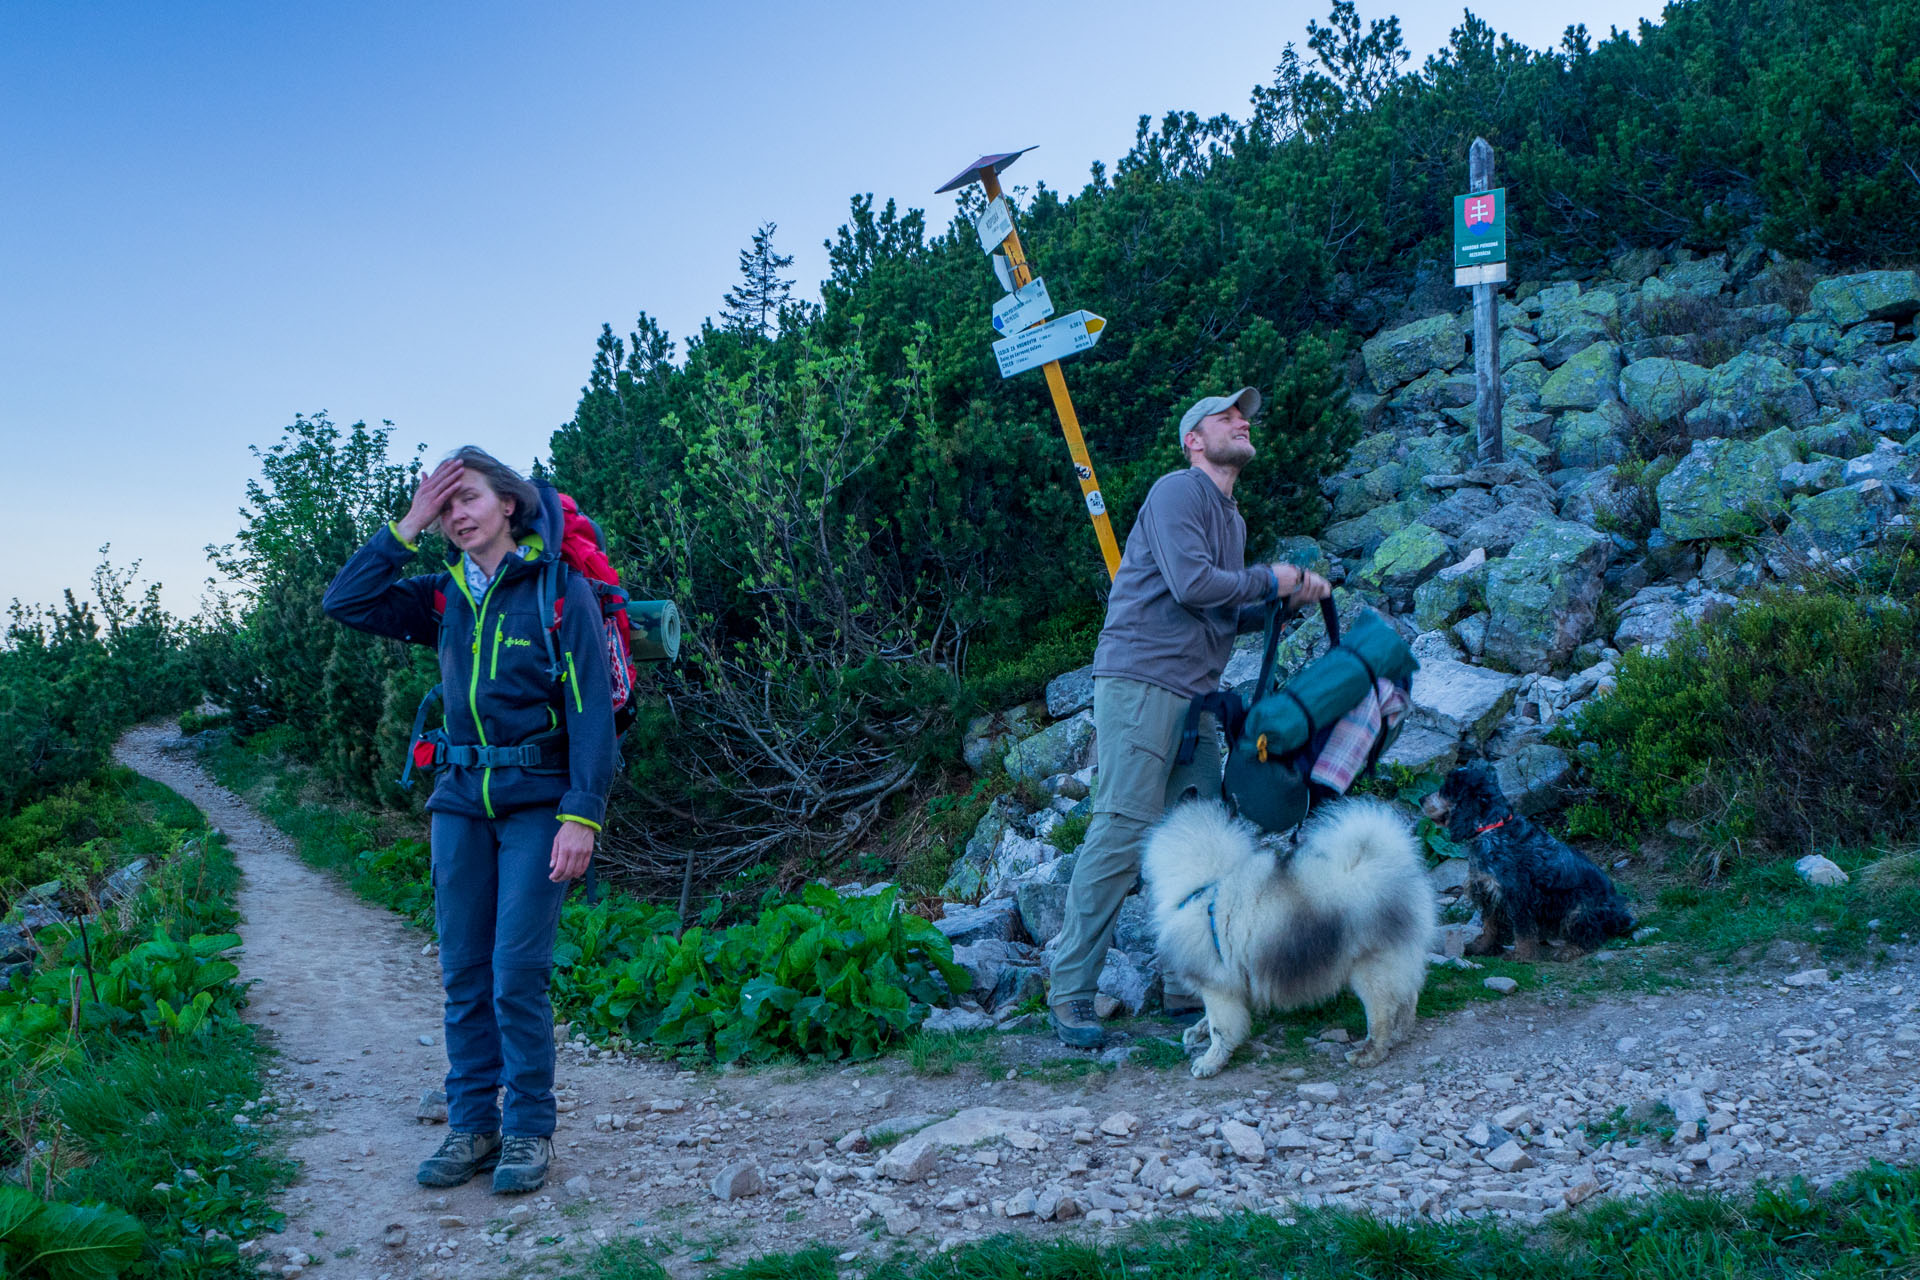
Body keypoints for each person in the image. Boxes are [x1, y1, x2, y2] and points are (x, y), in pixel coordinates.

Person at [323, 448, 616, 1193]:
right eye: (443, 504)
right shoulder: (443, 596)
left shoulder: (558, 591)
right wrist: (407, 525)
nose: (456, 513)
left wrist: (582, 814)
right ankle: (473, 1126)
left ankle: (527, 1131)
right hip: (459, 802)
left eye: (468, 498)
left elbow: (591, 716)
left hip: (538, 803)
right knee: (463, 973)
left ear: (508, 505)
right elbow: (347, 601)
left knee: (516, 971)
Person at [1049, 388, 1332, 1050]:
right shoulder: (1180, 493)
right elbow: (1191, 584)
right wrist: (1271, 578)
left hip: (1193, 698)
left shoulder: (1229, 519)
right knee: (1121, 834)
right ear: (1194, 441)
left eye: (1247, 415)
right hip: (1141, 684)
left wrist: (1281, 605)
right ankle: (1069, 993)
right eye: (1227, 415)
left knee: (1196, 841)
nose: (1243, 420)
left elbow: (1220, 610)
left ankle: (1187, 986)